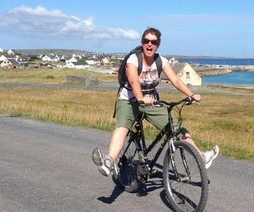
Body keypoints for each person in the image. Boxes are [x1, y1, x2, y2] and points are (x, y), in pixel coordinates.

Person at [92, 27, 219, 176]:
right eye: (146, 41)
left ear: (158, 44)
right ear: (142, 43)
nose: (149, 44)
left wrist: (191, 94)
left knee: (176, 128)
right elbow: (134, 81)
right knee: (122, 127)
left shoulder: (161, 61)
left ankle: (201, 157)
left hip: (151, 101)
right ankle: (109, 162)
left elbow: (176, 80)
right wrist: (140, 98)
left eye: (153, 42)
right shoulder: (134, 59)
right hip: (129, 100)